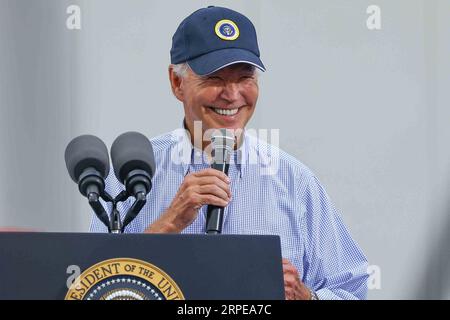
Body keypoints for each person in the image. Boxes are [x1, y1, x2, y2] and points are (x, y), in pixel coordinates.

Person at [91, 6, 369, 300]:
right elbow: (93, 287)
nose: (233, 95)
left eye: (245, 77)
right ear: (177, 82)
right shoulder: (131, 172)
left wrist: (306, 297)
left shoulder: (295, 181)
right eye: (215, 79)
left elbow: (352, 290)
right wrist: (170, 223)